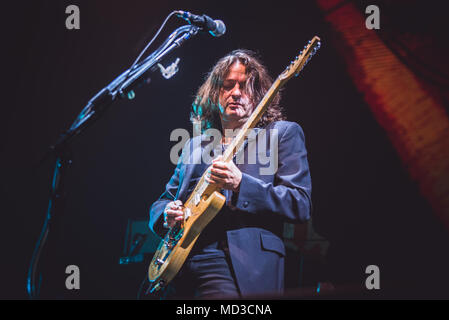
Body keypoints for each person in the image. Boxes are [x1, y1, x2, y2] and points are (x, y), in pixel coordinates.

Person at [148, 49, 312, 299]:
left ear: (259, 95)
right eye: (227, 86)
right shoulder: (195, 145)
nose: (236, 92)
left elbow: (299, 204)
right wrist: (167, 213)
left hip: (235, 264)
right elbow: (162, 200)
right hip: (178, 264)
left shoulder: (283, 134)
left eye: (245, 86)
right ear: (214, 94)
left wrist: (241, 184)